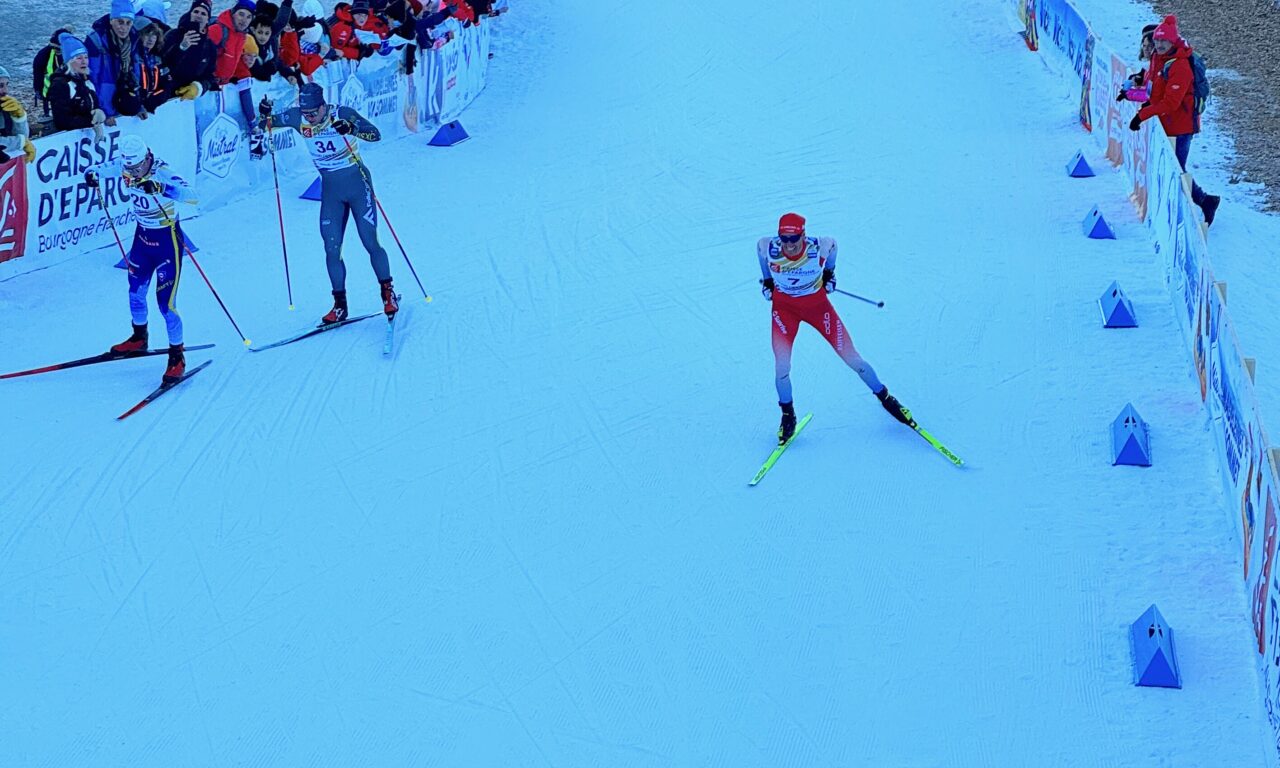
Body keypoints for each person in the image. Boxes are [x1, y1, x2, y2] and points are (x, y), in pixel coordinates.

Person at [758, 213, 913, 444]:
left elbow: (833, 245)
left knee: (853, 360)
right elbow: (760, 251)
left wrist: (830, 273)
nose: (789, 244)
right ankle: (787, 415)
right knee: (781, 366)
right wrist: (768, 281)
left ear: (803, 234)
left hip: (818, 308)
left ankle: (886, 397)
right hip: (784, 311)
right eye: (784, 238)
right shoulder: (769, 246)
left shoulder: (818, 247)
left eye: (794, 238)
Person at [258, 83, 398, 323]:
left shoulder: (341, 113)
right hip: (331, 191)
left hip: (357, 183)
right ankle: (340, 305)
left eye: (314, 113)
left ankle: (387, 293)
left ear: (323, 106)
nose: (310, 118)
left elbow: (375, 134)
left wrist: (351, 127)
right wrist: (264, 113)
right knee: (331, 248)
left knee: (369, 240)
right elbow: (266, 124)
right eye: (306, 114)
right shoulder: (296, 117)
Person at [84, 135, 199, 385]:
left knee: (165, 305)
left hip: (167, 240)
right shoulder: (126, 165)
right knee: (135, 293)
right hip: (142, 239)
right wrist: (91, 173)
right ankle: (139, 338)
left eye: (137, 169)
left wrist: (161, 188)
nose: (132, 174)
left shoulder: (162, 170)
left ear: (147, 158)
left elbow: (193, 195)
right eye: (129, 169)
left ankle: (177, 356)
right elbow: (98, 169)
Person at [1129, 15, 1221, 226]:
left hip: (1180, 127)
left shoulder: (1180, 66)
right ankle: (1201, 201)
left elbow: (1171, 103)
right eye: (1157, 40)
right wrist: (1141, 86)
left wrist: (1142, 115)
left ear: (1173, 41)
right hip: (1166, 123)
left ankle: (1202, 202)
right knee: (1175, 168)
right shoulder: (1158, 58)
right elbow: (1155, 84)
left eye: (1164, 41)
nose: (1159, 45)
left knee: (1176, 169)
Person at [85, 0, 144, 122]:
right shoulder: (96, 40)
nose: (124, 28)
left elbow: (136, 74)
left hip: (124, 96)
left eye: (128, 23)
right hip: (105, 105)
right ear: (112, 21)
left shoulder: (134, 39)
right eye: (120, 22)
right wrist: (103, 111)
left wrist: (138, 104)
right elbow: (93, 78)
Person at [47, 34, 107, 133]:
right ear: (69, 61)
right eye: (79, 58)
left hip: (85, 135)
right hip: (66, 139)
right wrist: (91, 121)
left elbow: (93, 104)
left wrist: (98, 111)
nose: (84, 62)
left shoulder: (87, 81)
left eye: (86, 57)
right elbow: (62, 120)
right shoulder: (60, 84)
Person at [162, 0, 220, 99]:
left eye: (203, 13)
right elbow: (162, 62)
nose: (198, 15)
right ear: (190, 14)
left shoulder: (210, 46)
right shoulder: (173, 35)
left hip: (190, 96)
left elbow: (210, 76)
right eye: (196, 12)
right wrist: (181, 48)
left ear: (207, 20)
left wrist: (199, 87)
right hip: (167, 93)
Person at [0, 67, 34, 164]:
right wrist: (21, 142)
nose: (5, 91)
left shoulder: (5, 106)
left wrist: (19, 118)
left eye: (7, 85)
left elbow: (23, 136)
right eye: (0, 86)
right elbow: (22, 141)